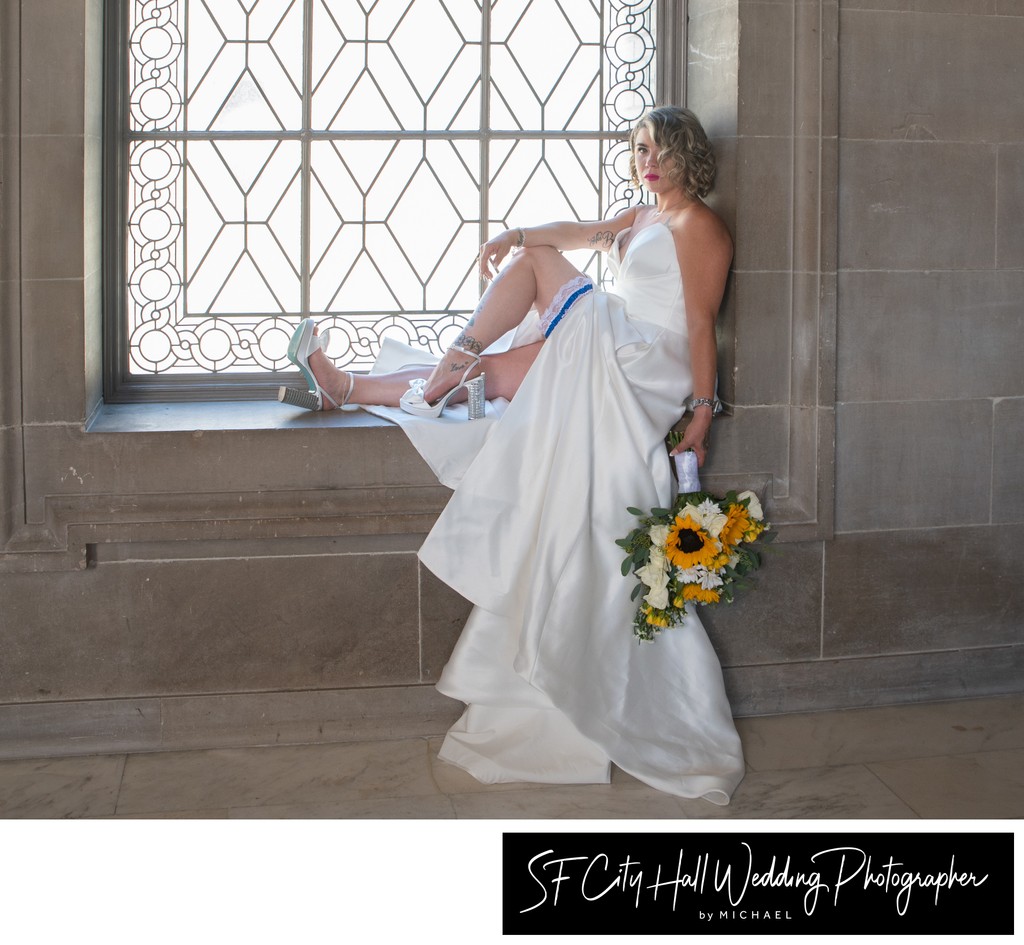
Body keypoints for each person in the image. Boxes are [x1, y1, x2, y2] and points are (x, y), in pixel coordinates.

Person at [280, 106, 745, 804]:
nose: (648, 161)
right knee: (503, 366)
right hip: (613, 344)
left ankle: (443, 363)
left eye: (661, 150)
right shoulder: (641, 215)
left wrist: (704, 413)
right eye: (640, 149)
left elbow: (701, 326)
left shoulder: (699, 226)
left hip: (649, 363)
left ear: (688, 155)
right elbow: (578, 235)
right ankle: (346, 386)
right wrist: (517, 232)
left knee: (524, 296)